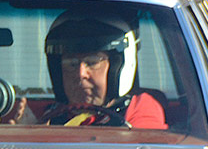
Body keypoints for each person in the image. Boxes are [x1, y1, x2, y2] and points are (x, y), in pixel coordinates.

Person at [10, 9, 167, 129]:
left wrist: (43, 138)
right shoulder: (51, 114)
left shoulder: (139, 108)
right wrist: (30, 133)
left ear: (117, 67)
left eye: (92, 62)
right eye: (71, 64)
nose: (80, 74)